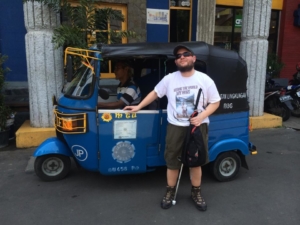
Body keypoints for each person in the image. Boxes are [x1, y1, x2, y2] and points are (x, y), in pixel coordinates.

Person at [124, 45, 221, 211]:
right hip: (175, 127)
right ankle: (170, 192)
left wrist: (202, 116)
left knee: (196, 162)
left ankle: (196, 193)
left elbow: (215, 102)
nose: (181, 57)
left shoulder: (204, 80)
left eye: (185, 54)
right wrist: (138, 106)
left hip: (197, 126)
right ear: (176, 61)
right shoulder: (169, 79)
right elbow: (155, 93)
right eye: (178, 56)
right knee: (172, 161)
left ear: (193, 58)